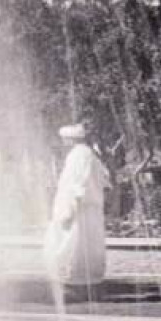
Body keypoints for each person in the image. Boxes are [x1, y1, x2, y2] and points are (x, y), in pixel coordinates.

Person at [43, 123, 112, 296]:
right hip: (84, 207)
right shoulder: (86, 154)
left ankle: (76, 283)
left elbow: (79, 183)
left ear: (70, 139)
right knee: (82, 243)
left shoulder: (80, 156)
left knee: (74, 244)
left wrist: (71, 206)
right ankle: (83, 282)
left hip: (79, 208)